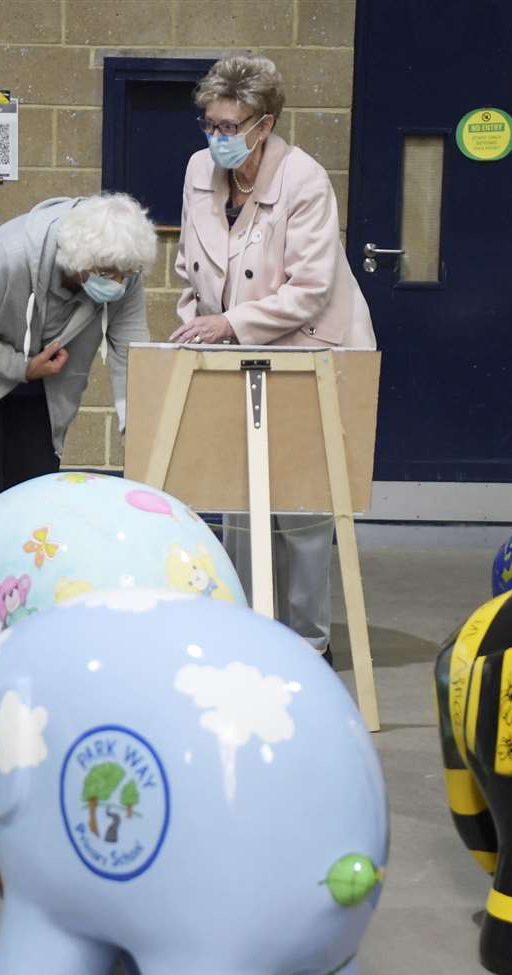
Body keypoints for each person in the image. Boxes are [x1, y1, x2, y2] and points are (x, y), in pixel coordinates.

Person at [171, 56, 376, 664]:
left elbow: (311, 287)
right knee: (235, 497)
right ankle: (245, 630)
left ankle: (309, 641)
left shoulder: (304, 179)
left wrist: (229, 323)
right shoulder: (198, 170)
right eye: (210, 124)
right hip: (233, 353)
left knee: (301, 506)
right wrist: (195, 330)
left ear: (265, 125)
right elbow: (192, 268)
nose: (218, 138)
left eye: (231, 126)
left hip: (310, 347)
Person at [0, 193, 157, 560]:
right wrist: (21, 367)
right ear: (79, 262)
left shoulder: (122, 267)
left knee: (34, 500)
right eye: (110, 275)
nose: (119, 284)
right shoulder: (9, 256)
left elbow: (130, 345)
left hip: (42, 383)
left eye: (127, 276)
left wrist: (137, 422)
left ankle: (21, 600)